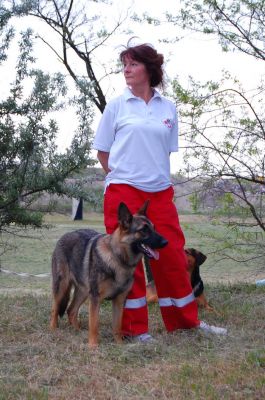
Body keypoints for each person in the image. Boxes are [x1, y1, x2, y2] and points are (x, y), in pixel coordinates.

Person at [93, 43, 227, 342]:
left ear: (149, 69)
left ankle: (185, 323)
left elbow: (164, 152)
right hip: (124, 192)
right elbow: (103, 154)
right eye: (124, 64)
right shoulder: (117, 105)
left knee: (172, 258)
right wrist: (122, 179)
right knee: (128, 261)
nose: (126, 69)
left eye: (132, 64)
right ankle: (132, 330)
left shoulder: (168, 108)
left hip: (160, 193)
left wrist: (151, 182)